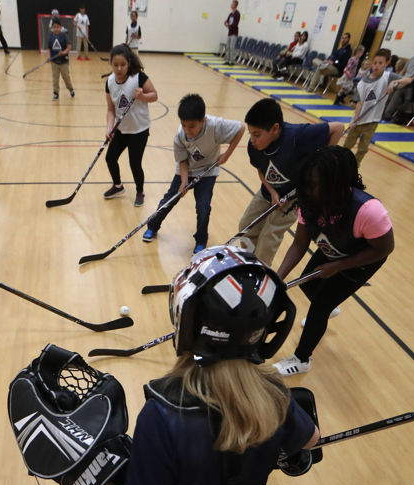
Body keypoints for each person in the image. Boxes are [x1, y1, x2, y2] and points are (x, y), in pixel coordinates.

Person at [89, 246, 321, 485]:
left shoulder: (160, 415)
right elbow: (311, 439)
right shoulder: (274, 394)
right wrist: (285, 447)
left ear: (188, 318)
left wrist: (90, 480)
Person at [271, 146, 395, 376]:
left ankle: (301, 359)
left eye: (313, 185)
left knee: (320, 306)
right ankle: (329, 305)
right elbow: (299, 244)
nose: (306, 190)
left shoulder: (369, 211)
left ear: (334, 183)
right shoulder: (309, 201)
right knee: (308, 285)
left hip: (361, 258)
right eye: (305, 183)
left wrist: (338, 266)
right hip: (333, 247)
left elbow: (385, 248)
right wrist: (277, 278)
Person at [239, 97, 344, 267]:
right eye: (251, 134)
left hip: (293, 198)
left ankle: (260, 275)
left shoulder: (298, 136)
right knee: (245, 226)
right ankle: (248, 263)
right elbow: (260, 170)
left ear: (275, 128)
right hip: (268, 192)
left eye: (257, 135)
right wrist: (272, 192)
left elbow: (338, 128)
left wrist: (323, 162)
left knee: (270, 235)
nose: (252, 140)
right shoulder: (254, 146)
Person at [142, 93, 244, 253]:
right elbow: (182, 161)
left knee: (203, 208)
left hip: (208, 172)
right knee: (169, 200)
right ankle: (152, 226)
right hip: (186, 170)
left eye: (191, 126)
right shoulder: (180, 135)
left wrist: (227, 154)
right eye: (183, 125)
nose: (187, 130)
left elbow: (241, 128)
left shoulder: (216, 126)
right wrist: (183, 182)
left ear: (202, 121)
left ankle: (201, 240)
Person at [103, 44, 157, 207]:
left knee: (135, 163)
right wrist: (109, 128)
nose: (119, 68)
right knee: (110, 158)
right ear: (111, 64)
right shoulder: (110, 82)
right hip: (121, 129)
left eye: (123, 65)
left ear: (129, 63)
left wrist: (142, 96)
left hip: (139, 130)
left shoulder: (138, 77)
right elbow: (111, 109)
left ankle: (140, 192)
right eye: (115, 65)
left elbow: (154, 95)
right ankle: (118, 186)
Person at [344, 49, 402, 165]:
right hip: (358, 121)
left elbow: (407, 80)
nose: (377, 66)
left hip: (373, 121)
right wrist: (355, 120)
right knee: (347, 146)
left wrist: (393, 83)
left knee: (363, 149)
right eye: (375, 63)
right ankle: (340, 164)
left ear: (387, 63)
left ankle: (354, 168)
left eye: (380, 63)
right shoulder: (362, 83)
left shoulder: (388, 76)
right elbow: (359, 103)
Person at [48, 18, 74, 102]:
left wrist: (63, 52)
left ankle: (70, 89)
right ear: (52, 27)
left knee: (66, 77)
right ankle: (56, 93)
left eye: (57, 27)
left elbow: (69, 47)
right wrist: (49, 57)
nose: (56, 29)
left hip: (64, 62)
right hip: (54, 62)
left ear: (60, 27)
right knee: (55, 79)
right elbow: (49, 48)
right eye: (54, 27)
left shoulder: (64, 36)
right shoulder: (51, 36)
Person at [224, 1, 240, 65]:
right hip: (229, 32)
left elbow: (235, 24)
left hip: (234, 33)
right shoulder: (230, 14)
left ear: (235, 5)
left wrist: (229, 25)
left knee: (232, 47)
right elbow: (227, 21)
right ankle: (227, 60)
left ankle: (232, 61)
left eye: (232, 4)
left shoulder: (237, 14)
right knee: (228, 46)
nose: (231, 5)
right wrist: (225, 23)